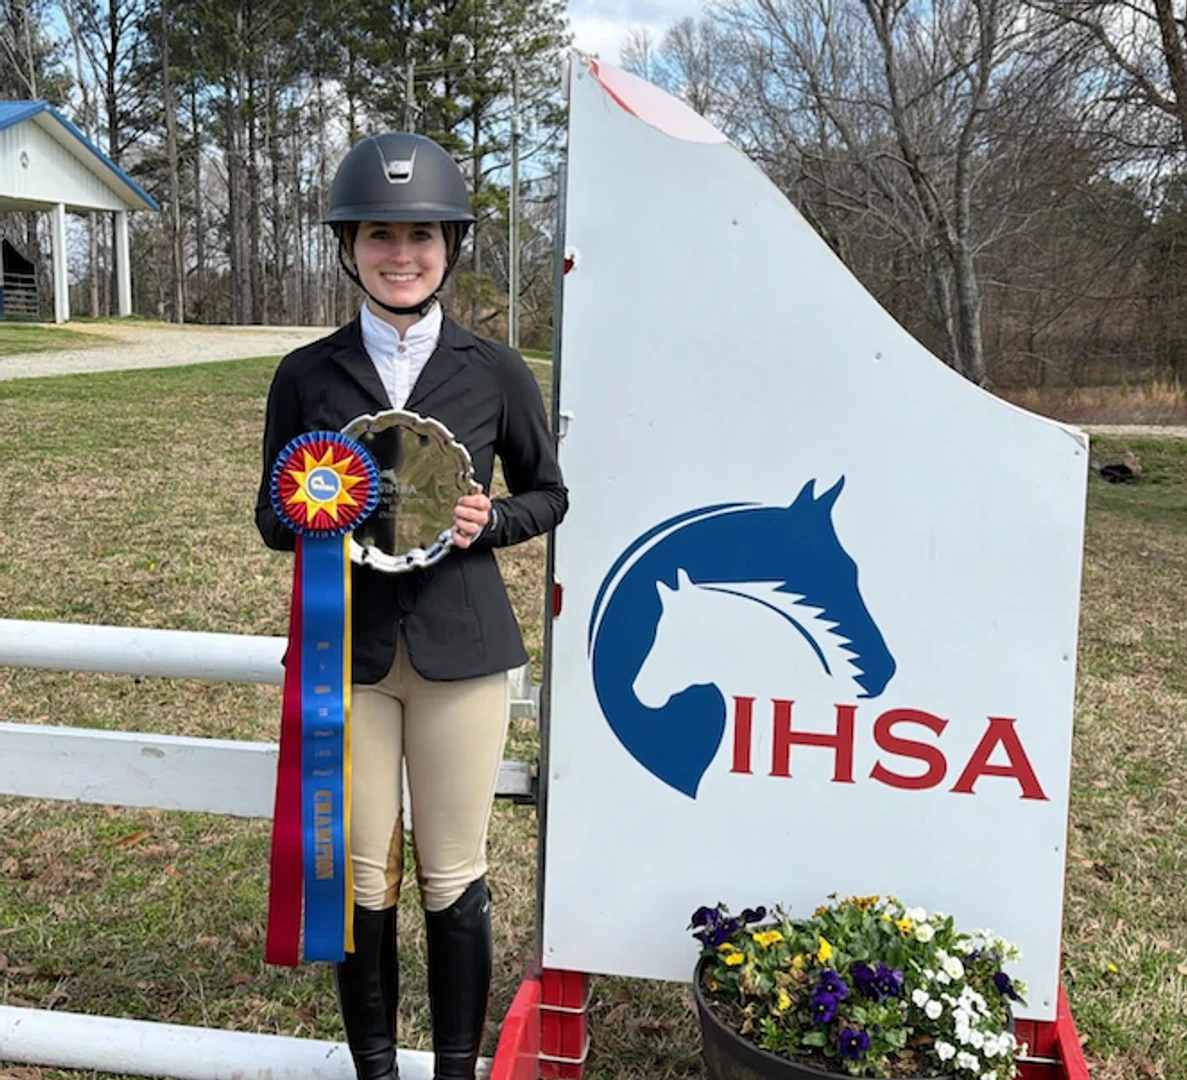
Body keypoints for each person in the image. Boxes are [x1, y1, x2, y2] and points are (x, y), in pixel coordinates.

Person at [255, 131, 568, 1080]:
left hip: (460, 654)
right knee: (358, 877)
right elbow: (271, 520)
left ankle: (458, 1070)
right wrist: (312, 510)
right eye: (381, 235)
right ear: (348, 247)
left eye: (422, 237)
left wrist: (492, 518)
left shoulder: (495, 369)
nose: (402, 255)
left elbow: (550, 494)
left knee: (452, 873)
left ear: (451, 248)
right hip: (345, 655)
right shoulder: (306, 373)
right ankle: (378, 1072)